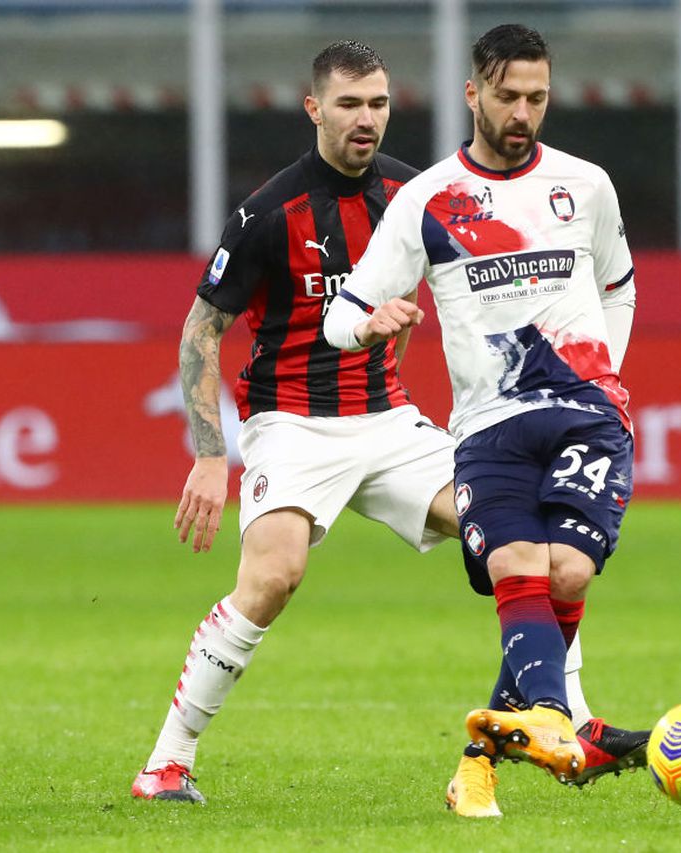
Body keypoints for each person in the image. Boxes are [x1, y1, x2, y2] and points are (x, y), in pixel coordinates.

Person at [131, 40, 644, 807]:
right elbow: (200, 331)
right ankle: (167, 762)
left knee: (534, 546)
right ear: (314, 109)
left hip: (391, 422)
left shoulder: (419, 193)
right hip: (293, 423)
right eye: (349, 104)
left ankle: (567, 717)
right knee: (272, 577)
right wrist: (211, 454)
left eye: (377, 103)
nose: (365, 119)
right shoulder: (269, 213)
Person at [324, 25, 640, 817]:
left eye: (536, 97)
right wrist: (368, 323)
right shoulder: (428, 200)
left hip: (584, 413)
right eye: (507, 96)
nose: (522, 113)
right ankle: (528, 737)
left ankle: (518, 737)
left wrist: (606, 370)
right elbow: (341, 311)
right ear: (473, 95)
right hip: (488, 426)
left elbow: (619, 285)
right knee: (517, 567)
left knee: (568, 573)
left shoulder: (586, 185)